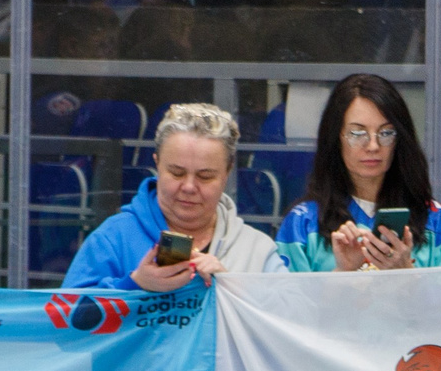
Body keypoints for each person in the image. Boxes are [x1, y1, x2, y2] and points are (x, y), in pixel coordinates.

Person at [61, 102, 280, 291]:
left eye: (205, 177)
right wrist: (134, 285)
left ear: (227, 173)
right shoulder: (113, 238)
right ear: (156, 163)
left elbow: (288, 327)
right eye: (176, 173)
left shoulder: (256, 249)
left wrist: (231, 290)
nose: (189, 187)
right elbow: (65, 322)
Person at [274, 73, 441, 272]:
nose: (373, 146)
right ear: (335, 138)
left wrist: (407, 275)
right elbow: (286, 302)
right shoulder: (303, 223)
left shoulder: (433, 219)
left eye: (385, 133)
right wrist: (342, 274)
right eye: (358, 134)